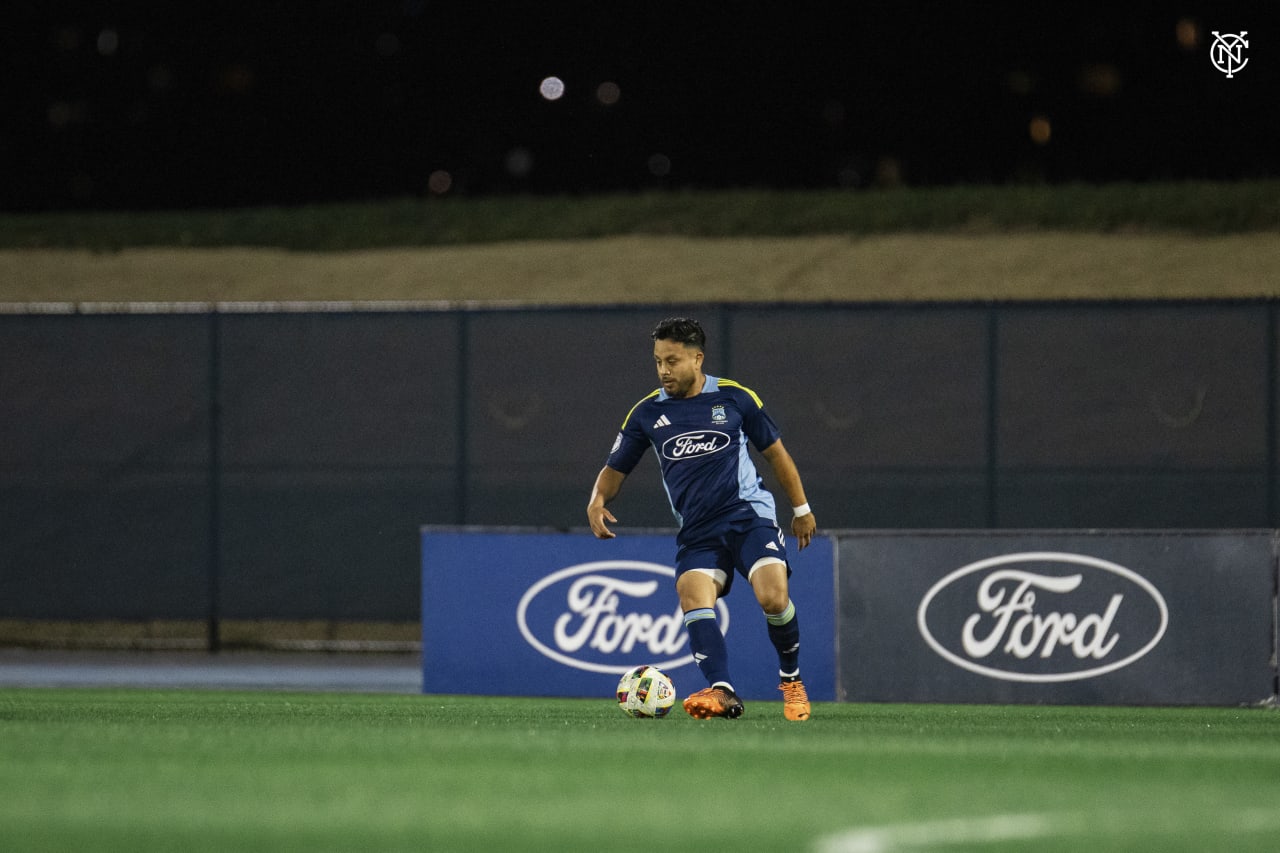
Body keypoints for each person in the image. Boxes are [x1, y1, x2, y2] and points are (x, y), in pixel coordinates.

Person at [587, 317, 817, 721]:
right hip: (698, 530)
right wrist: (597, 500)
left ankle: (792, 680)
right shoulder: (646, 413)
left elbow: (777, 454)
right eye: (658, 361)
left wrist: (801, 510)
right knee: (692, 595)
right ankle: (722, 690)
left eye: (672, 360)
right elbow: (615, 467)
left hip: (747, 516)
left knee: (773, 598)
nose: (663, 370)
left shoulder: (734, 399)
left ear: (697, 359)